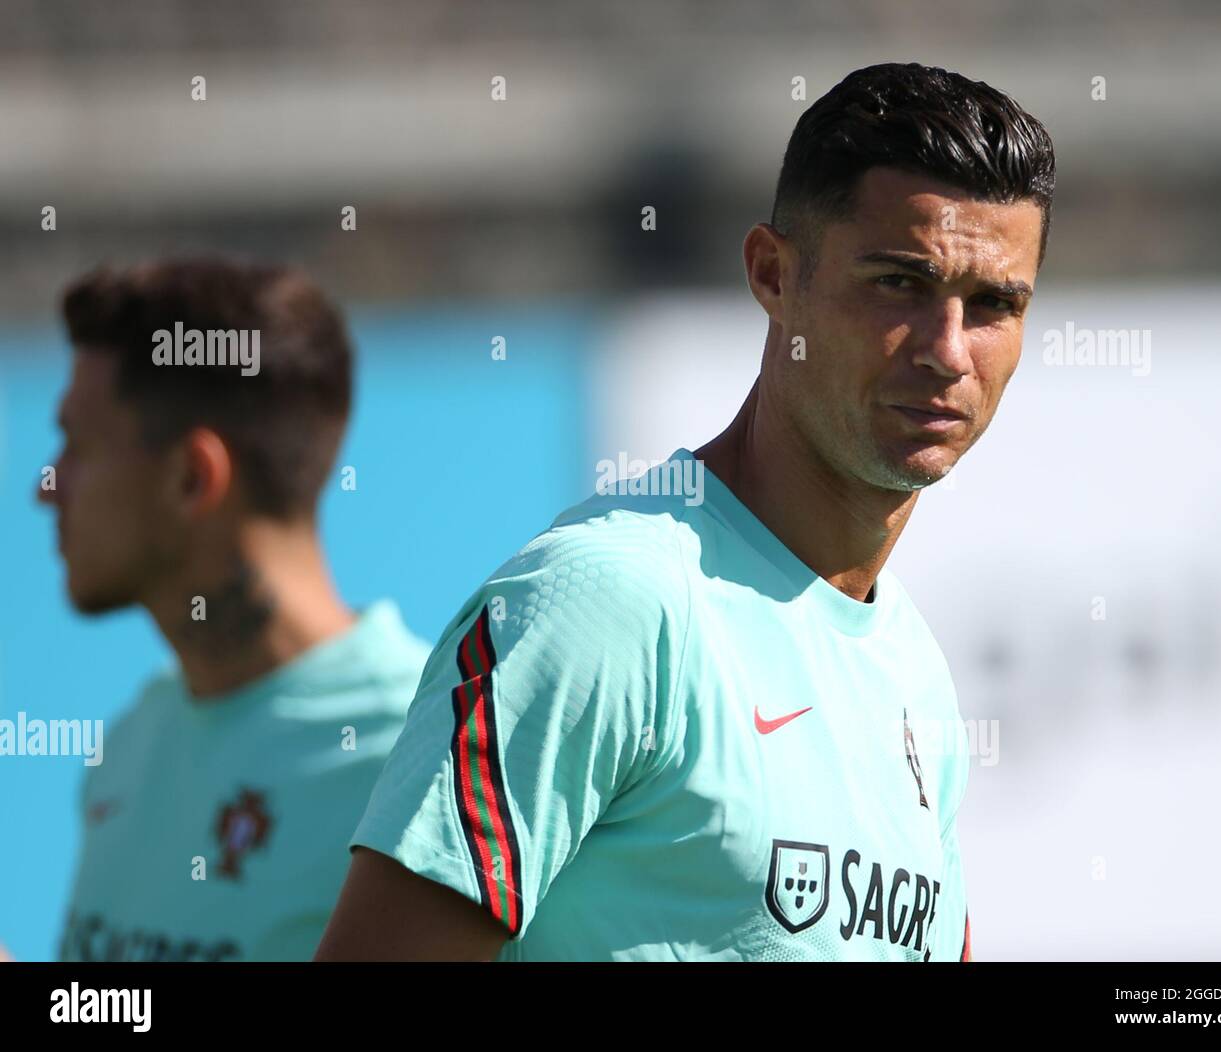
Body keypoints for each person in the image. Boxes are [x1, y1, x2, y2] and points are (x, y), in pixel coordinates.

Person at [316, 61, 1055, 961]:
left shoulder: (915, 676)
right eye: (899, 284)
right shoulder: (601, 605)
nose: (947, 352)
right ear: (773, 275)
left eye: (993, 306)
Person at [40, 257, 430, 961]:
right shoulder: (137, 737)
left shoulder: (421, 762)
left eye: (76, 445)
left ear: (192, 478)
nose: (47, 487)